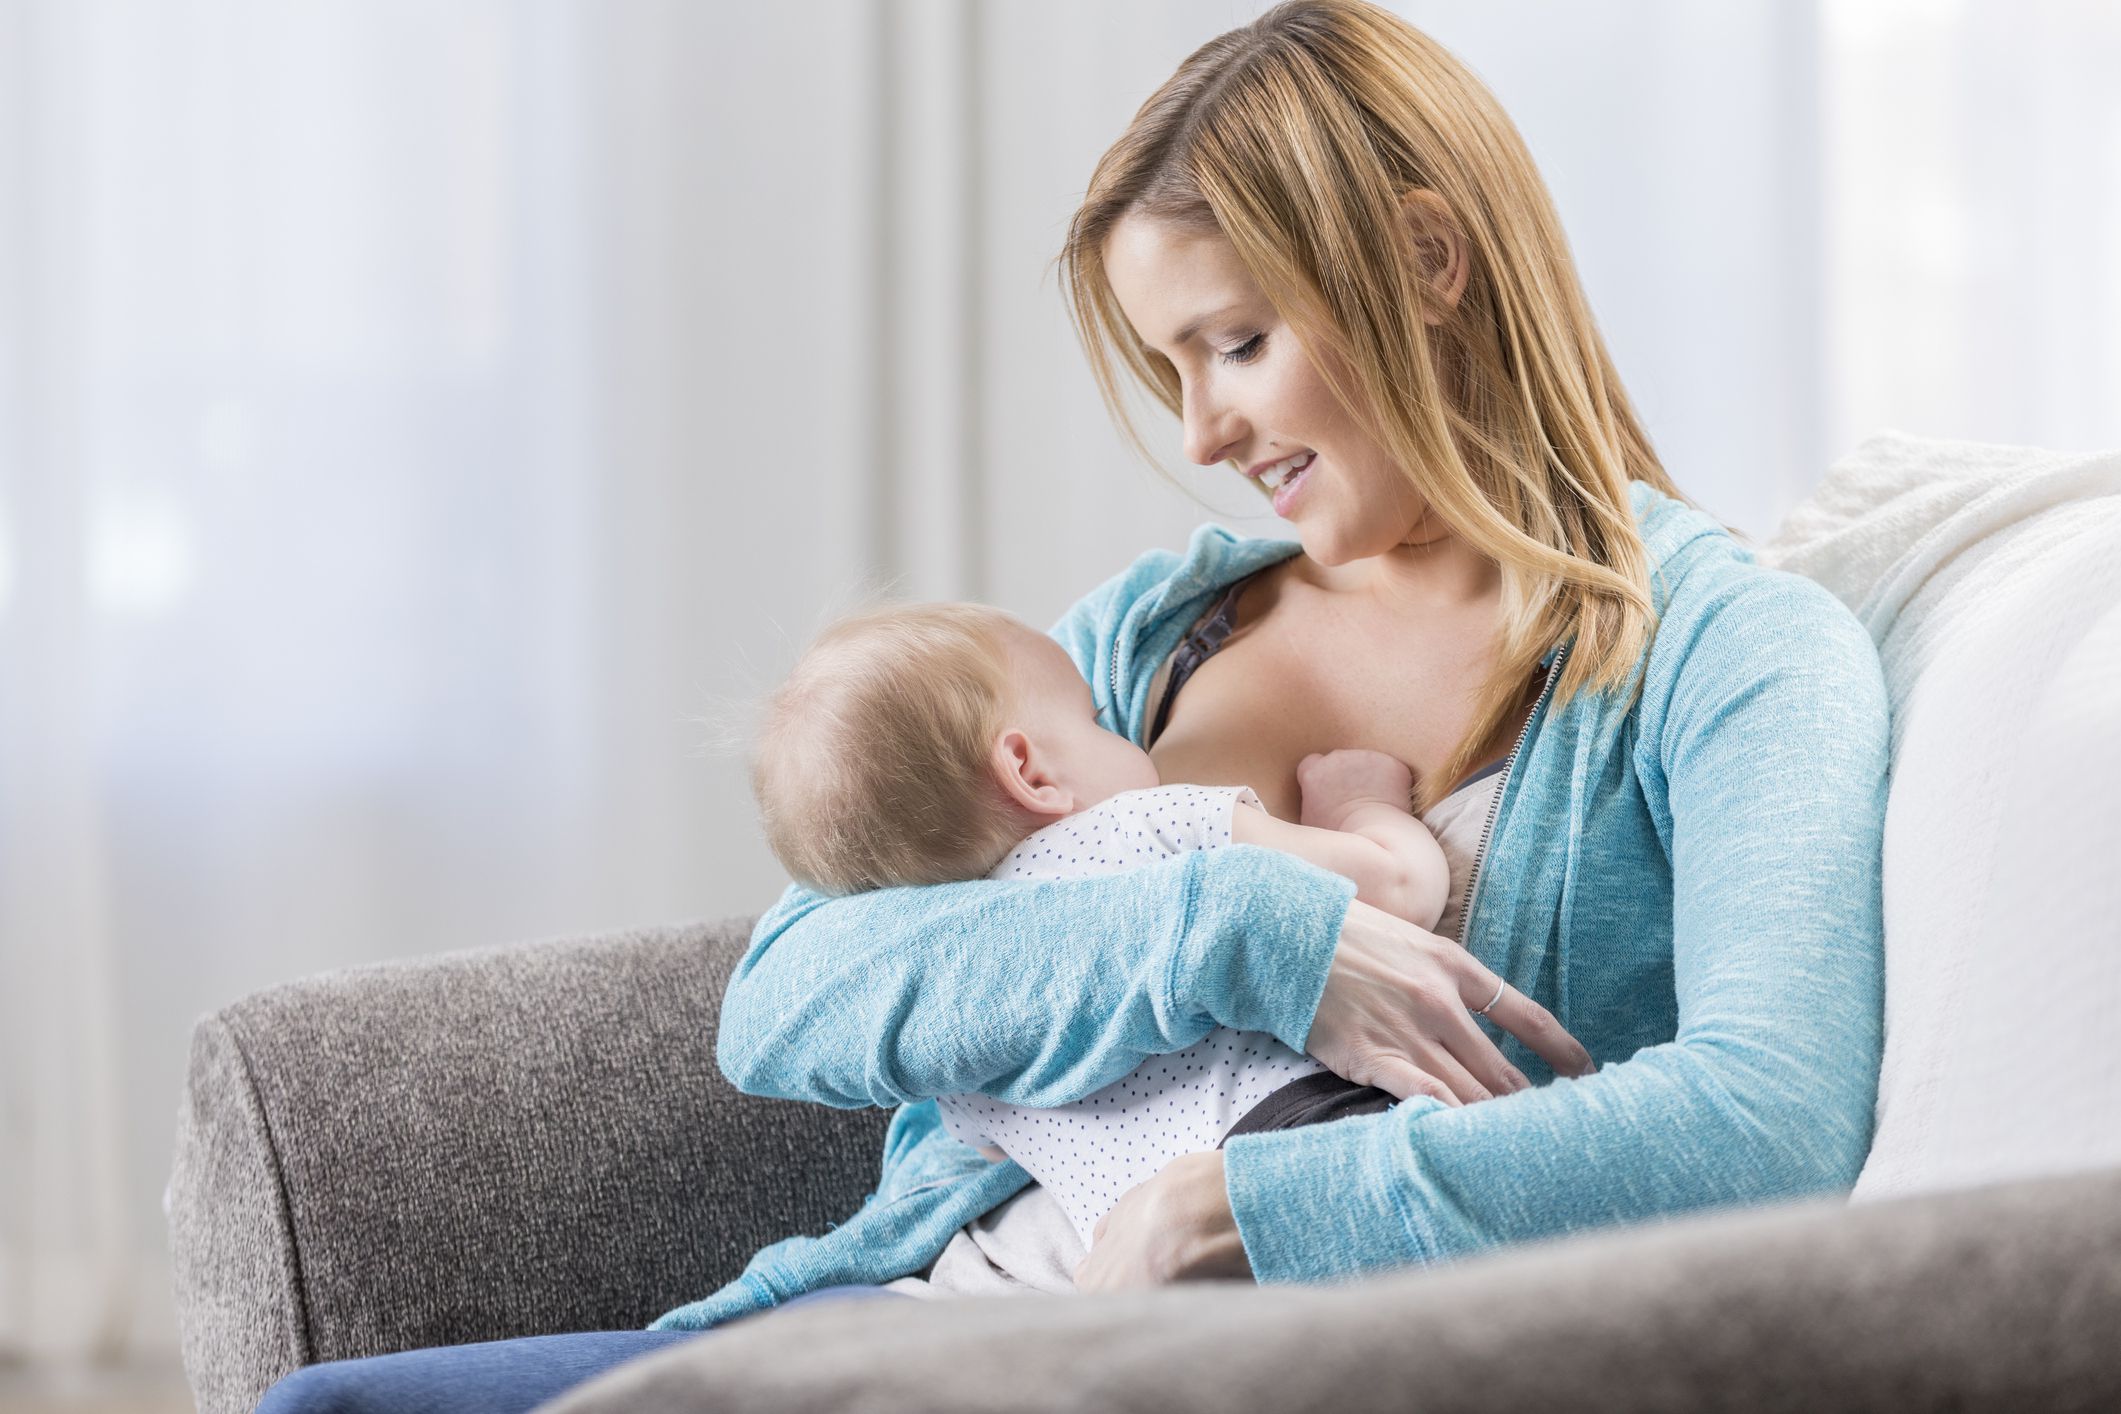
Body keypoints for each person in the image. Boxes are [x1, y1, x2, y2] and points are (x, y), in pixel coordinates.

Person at [254, 1, 1887, 1407]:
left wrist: (1253, 1202)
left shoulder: (1733, 655)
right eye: (1170, 365)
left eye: (1234, 343)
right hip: (930, 1309)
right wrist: (1247, 934)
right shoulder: (1154, 631)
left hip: (1251, 1354)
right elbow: (793, 990)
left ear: (1428, 259)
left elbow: (1768, 1118)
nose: (1199, 433)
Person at [750, 598, 1491, 1248]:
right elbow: (1397, 888)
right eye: (1094, 720)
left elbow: (994, 1155)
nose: (1128, 738)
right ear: (1031, 774)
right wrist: (1360, 803)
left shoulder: (956, 1058)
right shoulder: (1143, 829)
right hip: (1309, 1138)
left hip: (1133, 1253)